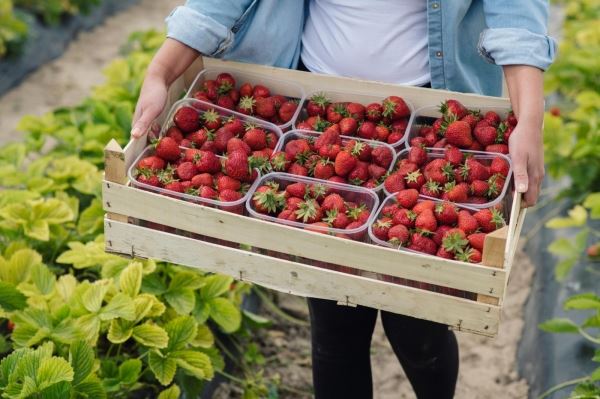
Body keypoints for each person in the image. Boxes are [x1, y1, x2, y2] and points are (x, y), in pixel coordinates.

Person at [131, 1, 556, 397]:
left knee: (418, 324)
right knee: (335, 322)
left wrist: (530, 118)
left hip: (437, 124)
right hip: (317, 117)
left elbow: (516, 10)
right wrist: (161, 72)